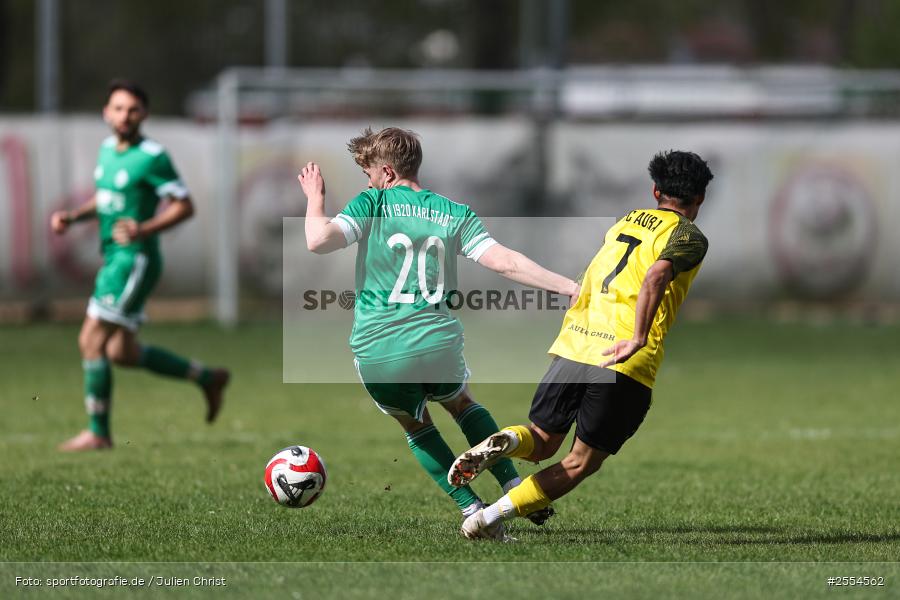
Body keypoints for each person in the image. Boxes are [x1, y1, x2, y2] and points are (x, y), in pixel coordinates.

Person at [297, 127, 579, 536]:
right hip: (437, 342)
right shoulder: (453, 212)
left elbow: (318, 240)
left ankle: (471, 508)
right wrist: (567, 286)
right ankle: (513, 486)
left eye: (371, 174)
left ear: (388, 172)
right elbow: (503, 261)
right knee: (462, 405)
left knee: (417, 426)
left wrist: (314, 198)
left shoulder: (372, 202)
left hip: (380, 349)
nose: (370, 182)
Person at [449, 150, 713, 540]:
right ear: (700, 199)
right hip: (622, 358)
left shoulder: (626, 221)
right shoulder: (689, 235)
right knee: (579, 462)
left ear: (655, 190)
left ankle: (507, 441)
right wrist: (638, 336)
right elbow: (657, 275)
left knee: (540, 443)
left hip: (575, 345)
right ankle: (487, 519)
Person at [51, 79, 229, 451]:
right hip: (114, 257)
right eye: (117, 108)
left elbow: (185, 205)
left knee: (90, 340)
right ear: (106, 112)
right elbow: (107, 198)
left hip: (134, 261)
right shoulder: (106, 150)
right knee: (122, 353)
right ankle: (207, 378)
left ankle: (98, 432)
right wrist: (73, 216)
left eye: (132, 109)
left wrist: (143, 228)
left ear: (144, 114)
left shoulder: (152, 156)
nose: (124, 116)